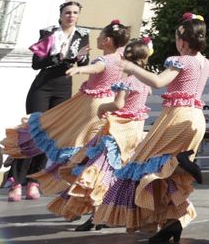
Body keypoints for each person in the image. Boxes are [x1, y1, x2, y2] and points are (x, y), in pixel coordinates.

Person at [95, 13, 209, 242]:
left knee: (147, 162)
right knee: (168, 174)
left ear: (182, 41)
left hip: (177, 117)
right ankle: (172, 222)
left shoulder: (182, 60)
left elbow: (158, 82)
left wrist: (132, 67)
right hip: (197, 119)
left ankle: (181, 162)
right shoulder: (205, 62)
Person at [4, 20, 130, 202]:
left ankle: (66, 182)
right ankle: (82, 186)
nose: (98, 37)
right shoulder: (121, 58)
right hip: (106, 103)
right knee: (86, 144)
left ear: (107, 40)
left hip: (91, 104)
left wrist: (79, 69)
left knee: (59, 133)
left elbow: (97, 67)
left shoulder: (104, 59)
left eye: (101, 35)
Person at [50, 32, 154, 230]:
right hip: (134, 134)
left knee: (102, 170)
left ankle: (96, 216)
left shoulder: (128, 82)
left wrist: (102, 108)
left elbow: (118, 104)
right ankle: (110, 214)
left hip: (118, 132)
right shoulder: (146, 83)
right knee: (121, 173)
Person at [6, 1, 91, 199]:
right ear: (60, 15)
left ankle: (34, 180)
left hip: (64, 86)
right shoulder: (49, 33)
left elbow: (84, 62)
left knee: (50, 134)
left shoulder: (82, 34)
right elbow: (36, 63)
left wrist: (81, 59)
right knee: (32, 131)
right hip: (43, 85)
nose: (71, 16)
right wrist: (57, 57)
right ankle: (16, 181)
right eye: (67, 12)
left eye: (75, 13)